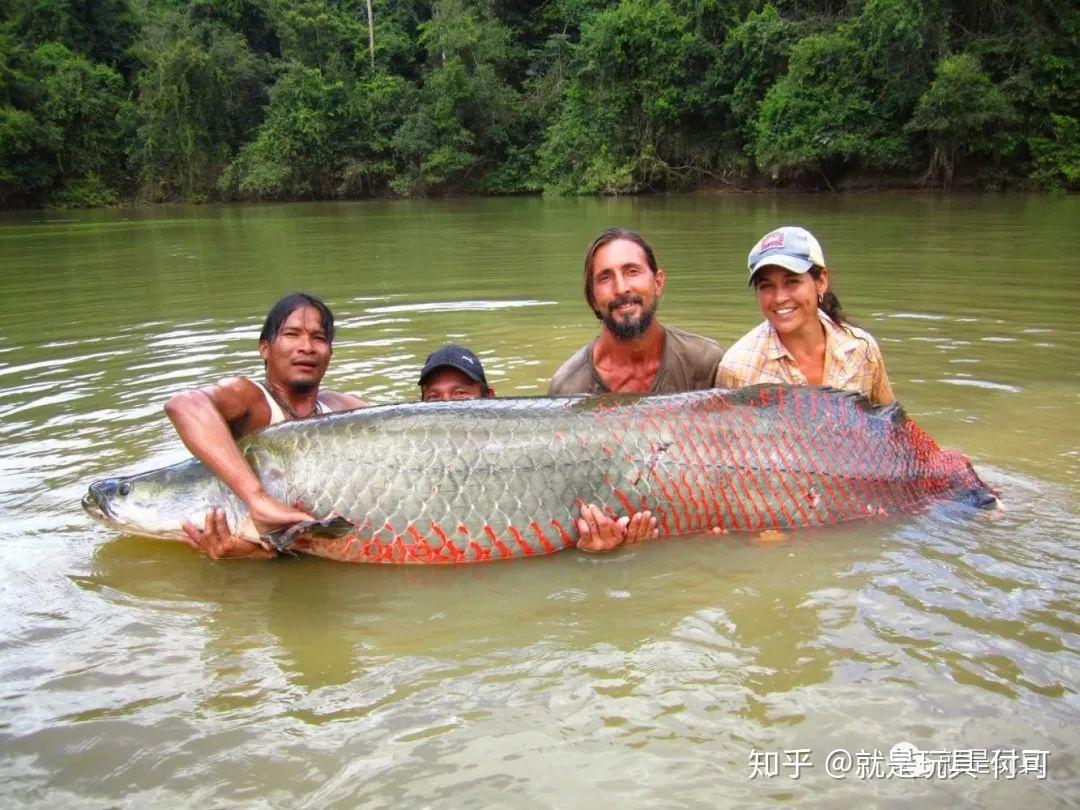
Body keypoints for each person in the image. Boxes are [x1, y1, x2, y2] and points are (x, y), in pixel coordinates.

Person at [167, 293, 366, 559]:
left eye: (318, 338)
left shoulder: (343, 408)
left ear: (329, 352)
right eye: (291, 334)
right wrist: (257, 498)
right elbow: (185, 404)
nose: (306, 346)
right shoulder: (251, 398)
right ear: (264, 348)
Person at [419, 344, 657, 552]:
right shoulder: (418, 472)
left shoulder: (532, 456)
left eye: (460, 394)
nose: (447, 407)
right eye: (434, 398)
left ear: (489, 398)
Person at [715, 226, 895, 405]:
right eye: (766, 286)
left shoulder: (860, 349)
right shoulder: (738, 369)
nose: (779, 298)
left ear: (821, 281)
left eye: (792, 282)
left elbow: (891, 424)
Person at [548, 227, 725, 396]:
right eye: (605, 278)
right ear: (592, 300)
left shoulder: (707, 363)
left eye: (632, 271)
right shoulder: (569, 388)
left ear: (658, 283)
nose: (621, 288)